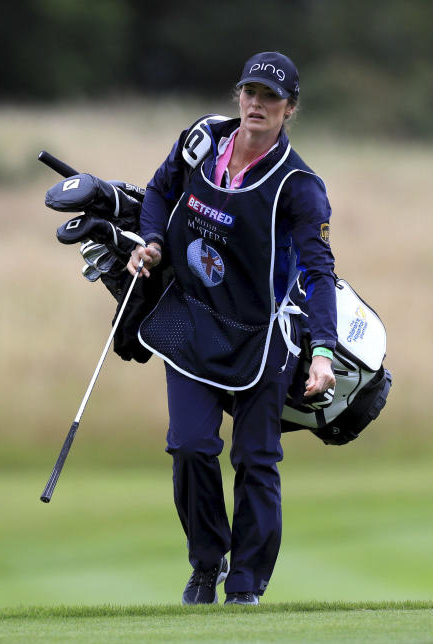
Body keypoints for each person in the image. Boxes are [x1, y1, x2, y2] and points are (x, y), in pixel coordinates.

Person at [126, 51, 337, 606]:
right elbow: (157, 191)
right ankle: (205, 564)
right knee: (191, 446)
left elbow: (319, 272)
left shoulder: (299, 186)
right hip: (190, 319)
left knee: (254, 460)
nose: (257, 104)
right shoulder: (201, 139)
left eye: (271, 97)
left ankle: (245, 582)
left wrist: (322, 352)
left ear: (290, 108)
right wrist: (149, 242)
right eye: (250, 93)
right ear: (238, 96)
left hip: (260, 335)